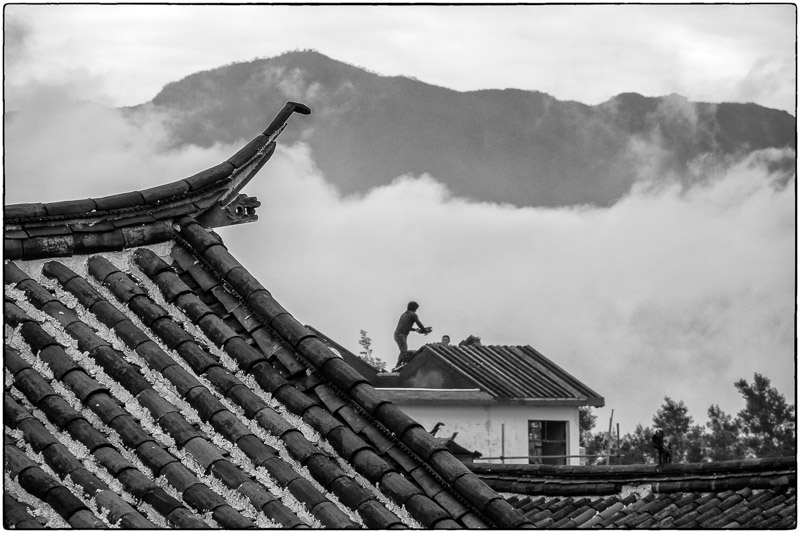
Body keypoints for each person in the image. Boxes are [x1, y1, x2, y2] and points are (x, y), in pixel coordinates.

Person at [392, 301, 429, 371]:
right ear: (414, 308)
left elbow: (405, 326)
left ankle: (399, 365)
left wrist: (415, 330)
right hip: (400, 335)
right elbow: (419, 323)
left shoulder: (404, 314)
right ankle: (400, 366)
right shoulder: (413, 314)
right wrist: (424, 330)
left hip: (398, 334)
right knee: (404, 351)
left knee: (403, 350)